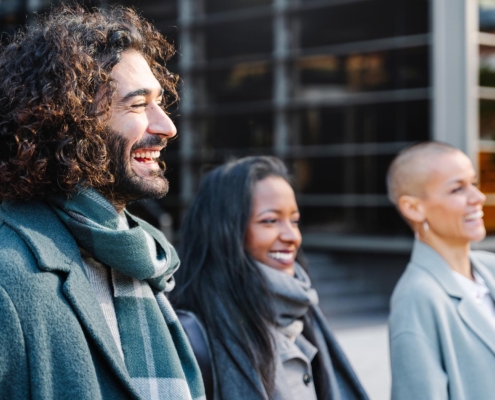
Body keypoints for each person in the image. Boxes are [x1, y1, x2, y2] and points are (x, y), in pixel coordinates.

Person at [0, 5, 204, 400]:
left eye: (159, 102)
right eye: (138, 104)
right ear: (67, 119)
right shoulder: (8, 273)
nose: (167, 126)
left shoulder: (141, 258)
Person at [170, 156, 368, 400]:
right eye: (270, 221)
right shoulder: (191, 336)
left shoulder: (301, 311)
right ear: (225, 230)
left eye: (294, 221)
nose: (291, 236)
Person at [387, 141, 495, 399]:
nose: (478, 197)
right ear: (413, 208)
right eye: (457, 189)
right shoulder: (417, 299)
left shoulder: (490, 267)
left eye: (474, 183)